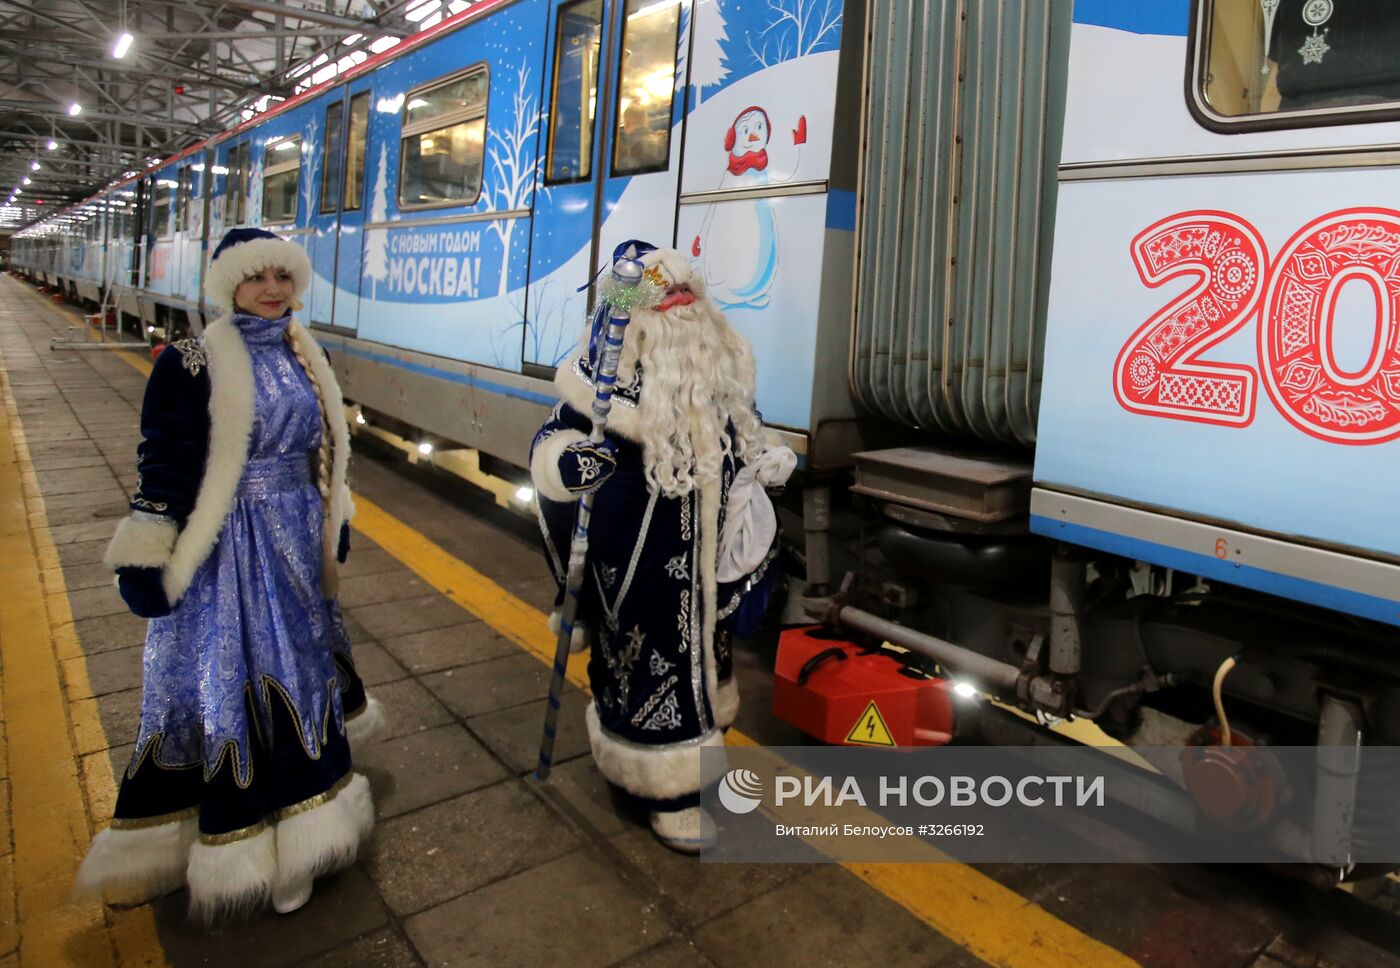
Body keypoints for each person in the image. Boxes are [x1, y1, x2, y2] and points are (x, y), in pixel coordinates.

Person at [78, 227, 381, 920]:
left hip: (297, 547)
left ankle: (308, 836)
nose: (272, 289)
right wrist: (147, 551)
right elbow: (164, 462)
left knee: (304, 674)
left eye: (282, 276)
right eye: (256, 277)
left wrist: (335, 520)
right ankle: (250, 843)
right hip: (227, 551)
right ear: (226, 285)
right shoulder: (189, 362)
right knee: (227, 681)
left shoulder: (311, 353)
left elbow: (325, 454)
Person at [531, 241, 794, 852]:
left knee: (707, 663)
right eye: (664, 299)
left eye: (686, 296)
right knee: (652, 671)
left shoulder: (717, 370)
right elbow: (551, 446)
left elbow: (745, 435)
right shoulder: (599, 386)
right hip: (638, 565)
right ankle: (670, 791)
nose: (681, 308)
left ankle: (681, 763)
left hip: (709, 561)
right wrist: (569, 467)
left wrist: (764, 462)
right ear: (633, 315)